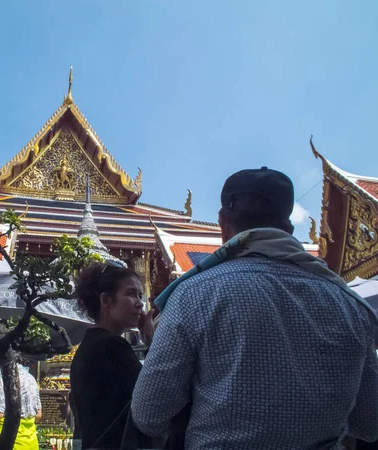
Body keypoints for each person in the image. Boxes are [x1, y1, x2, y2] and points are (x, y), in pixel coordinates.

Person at [132, 167, 378, 449]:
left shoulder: (193, 296)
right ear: (289, 228)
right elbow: (369, 425)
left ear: (223, 224)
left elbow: (148, 416)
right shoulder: (350, 306)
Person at [69, 262, 153, 449]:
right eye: (131, 294)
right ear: (106, 300)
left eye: (140, 295)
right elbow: (153, 394)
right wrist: (152, 342)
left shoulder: (91, 344)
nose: (140, 303)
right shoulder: (111, 346)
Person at [0, 357, 41, 450]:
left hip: (8, 442)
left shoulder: (4, 378)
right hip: (30, 443)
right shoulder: (31, 379)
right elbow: (38, 415)